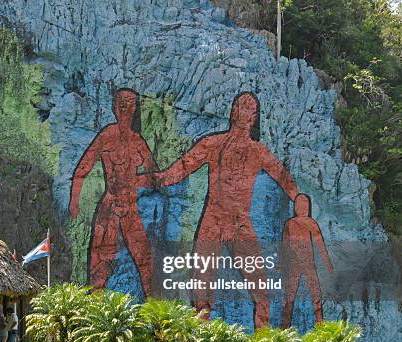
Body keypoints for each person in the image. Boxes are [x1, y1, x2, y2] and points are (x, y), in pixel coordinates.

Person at [140, 92, 299, 328]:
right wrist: (147, 180)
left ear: (254, 117)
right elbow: (179, 170)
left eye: (248, 107)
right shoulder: (212, 144)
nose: (241, 109)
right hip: (213, 219)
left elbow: (285, 180)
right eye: (238, 105)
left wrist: (301, 205)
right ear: (232, 111)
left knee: (261, 292)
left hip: (240, 222)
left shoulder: (259, 152)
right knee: (201, 289)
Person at [69, 88, 158, 297]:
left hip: (131, 207)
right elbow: (82, 168)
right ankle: (92, 311)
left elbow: (154, 176)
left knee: (145, 261)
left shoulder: (138, 141)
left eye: (129, 103)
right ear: (114, 107)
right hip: (109, 206)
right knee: (99, 262)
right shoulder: (106, 135)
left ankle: (156, 316)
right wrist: (74, 201)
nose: (125, 107)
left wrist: (136, 179)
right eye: (121, 102)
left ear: (135, 108)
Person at [279, 194, 334, 328]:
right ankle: (284, 330)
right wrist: (280, 265)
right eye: (300, 205)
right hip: (294, 264)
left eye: (305, 205)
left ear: (309, 207)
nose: (303, 208)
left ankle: (320, 328)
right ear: (296, 207)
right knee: (289, 299)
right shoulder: (290, 224)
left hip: (308, 264)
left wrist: (328, 265)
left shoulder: (311, 223)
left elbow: (320, 244)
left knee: (316, 297)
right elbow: (284, 246)